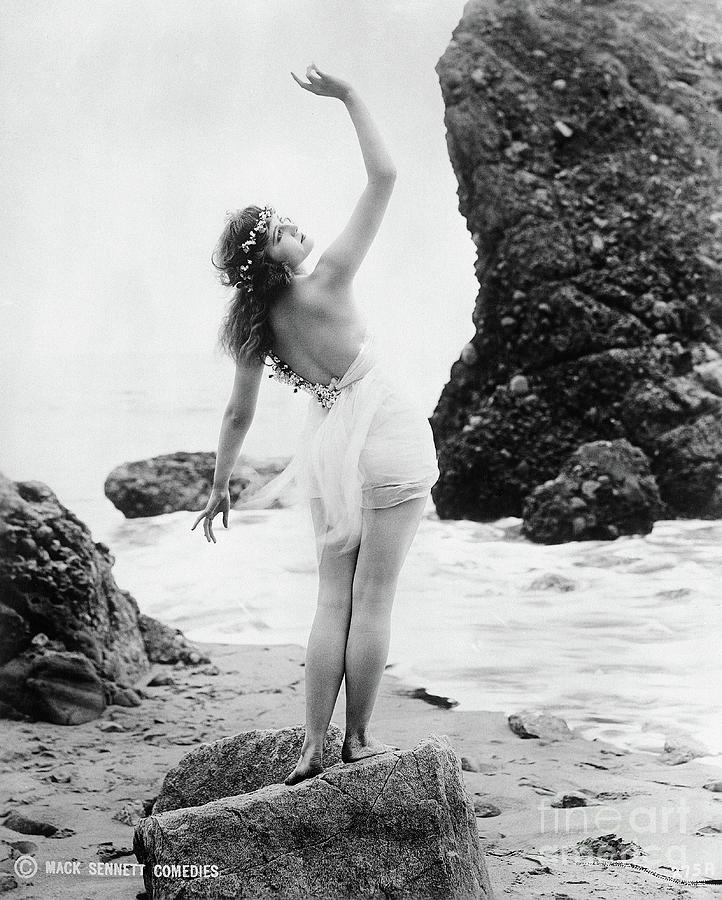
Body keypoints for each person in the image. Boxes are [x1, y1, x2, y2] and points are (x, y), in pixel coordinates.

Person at [191, 64, 439, 786]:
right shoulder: (326, 278)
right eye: (282, 229)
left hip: (332, 445)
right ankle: (356, 740)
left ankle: (310, 745)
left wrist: (218, 486)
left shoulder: (254, 325)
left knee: (333, 597)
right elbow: (385, 176)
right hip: (383, 429)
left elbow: (239, 411)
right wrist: (353, 95)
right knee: (374, 598)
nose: (297, 226)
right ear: (271, 258)